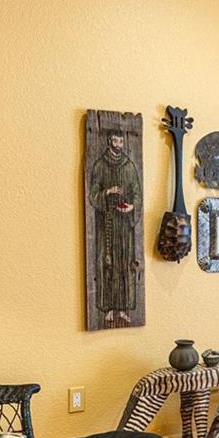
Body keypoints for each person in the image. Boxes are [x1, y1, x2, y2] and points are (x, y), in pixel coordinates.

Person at [88, 130, 141, 326]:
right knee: (106, 262)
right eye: (115, 140)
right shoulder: (100, 165)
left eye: (121, 140)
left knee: (124, 263)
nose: (118, 143)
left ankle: (124, 308)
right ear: (109, 141)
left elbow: (137, 192)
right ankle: (108, 308)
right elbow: (93, 194)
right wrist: (108, 191)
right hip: (106, 222)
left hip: (124, 224)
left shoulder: (128, 166)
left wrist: (132, 206)